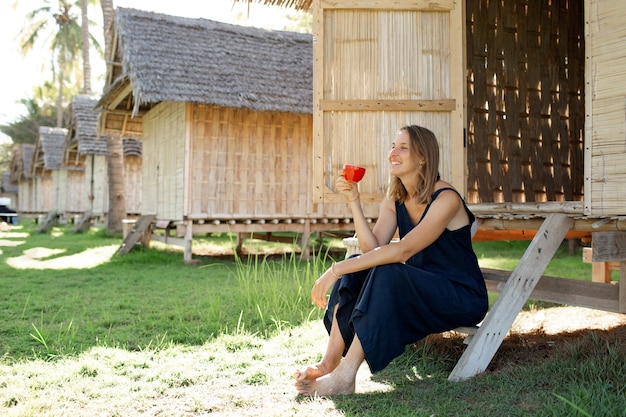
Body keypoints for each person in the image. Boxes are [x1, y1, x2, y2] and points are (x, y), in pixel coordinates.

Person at [294, 125, 488, 396]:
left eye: (403, 147)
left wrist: (335, 270)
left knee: (383, 271)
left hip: (459, 295)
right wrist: (354, 201)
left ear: (423, 158)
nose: (392, 153)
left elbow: (402, 251)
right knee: (360, 263)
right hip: (420, 291)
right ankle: (328, 364)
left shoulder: (446, 198)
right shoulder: (396, 198)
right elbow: (372, 249)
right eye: (392, 146)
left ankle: (346, 374)